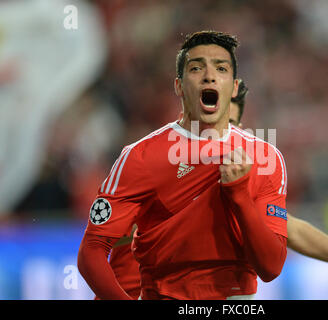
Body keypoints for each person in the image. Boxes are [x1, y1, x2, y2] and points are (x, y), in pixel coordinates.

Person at [94, 78, 328, 300]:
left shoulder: (240, 174)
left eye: (228, 126)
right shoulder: (154, 163)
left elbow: (289, 228)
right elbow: (102, 237)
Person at [78, 30, 288, 300]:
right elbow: (92, 250)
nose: (209, 76)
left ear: (234, 87)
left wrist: (239, 195)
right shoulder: (140, 156)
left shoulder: (265, 157)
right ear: (179, 86)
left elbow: (271, 267)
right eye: (196, 68)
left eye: (221, 68)